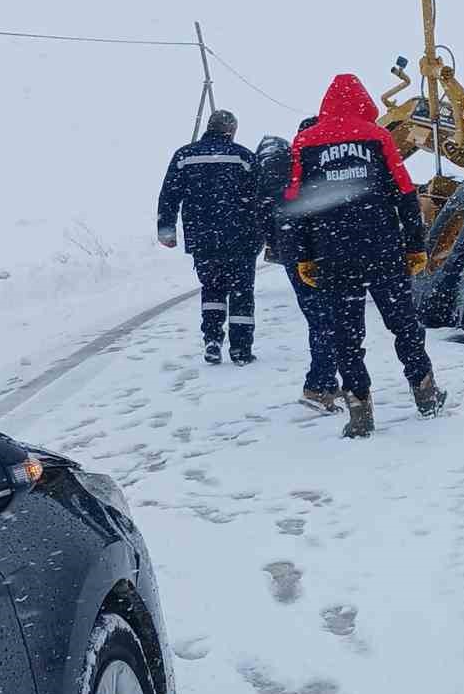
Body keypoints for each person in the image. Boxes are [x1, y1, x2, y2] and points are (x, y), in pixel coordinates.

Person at [280, 74, 443, 438]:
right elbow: (405, 193)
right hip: (382, 250)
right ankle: (425, 392)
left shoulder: (305, 142)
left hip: (333, 256)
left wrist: (303, 255)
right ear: (363, 102)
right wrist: (415, 245)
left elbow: (296, 203)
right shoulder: (378, 136)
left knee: (345, 337)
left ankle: (359, 411)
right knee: (404, 325)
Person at [157, 108, 263, 364]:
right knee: (241, 293)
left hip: (202, 239)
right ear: (231, 130)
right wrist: (266, 232)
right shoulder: (243, 157)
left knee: (212, 290)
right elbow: (260, 198)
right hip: (240, 239)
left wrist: (166, 229)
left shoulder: (184, 156)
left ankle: (212, 341)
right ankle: (240, 350)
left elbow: (169, 196)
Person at [257, 127, 339, 410]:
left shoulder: (284, 170)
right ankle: (317, 386)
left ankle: (327, 383)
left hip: (294, 251)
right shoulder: (314, 168)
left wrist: (277, 244)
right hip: (315, 253)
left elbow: (266, 213)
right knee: (326, 320)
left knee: (321, 319)